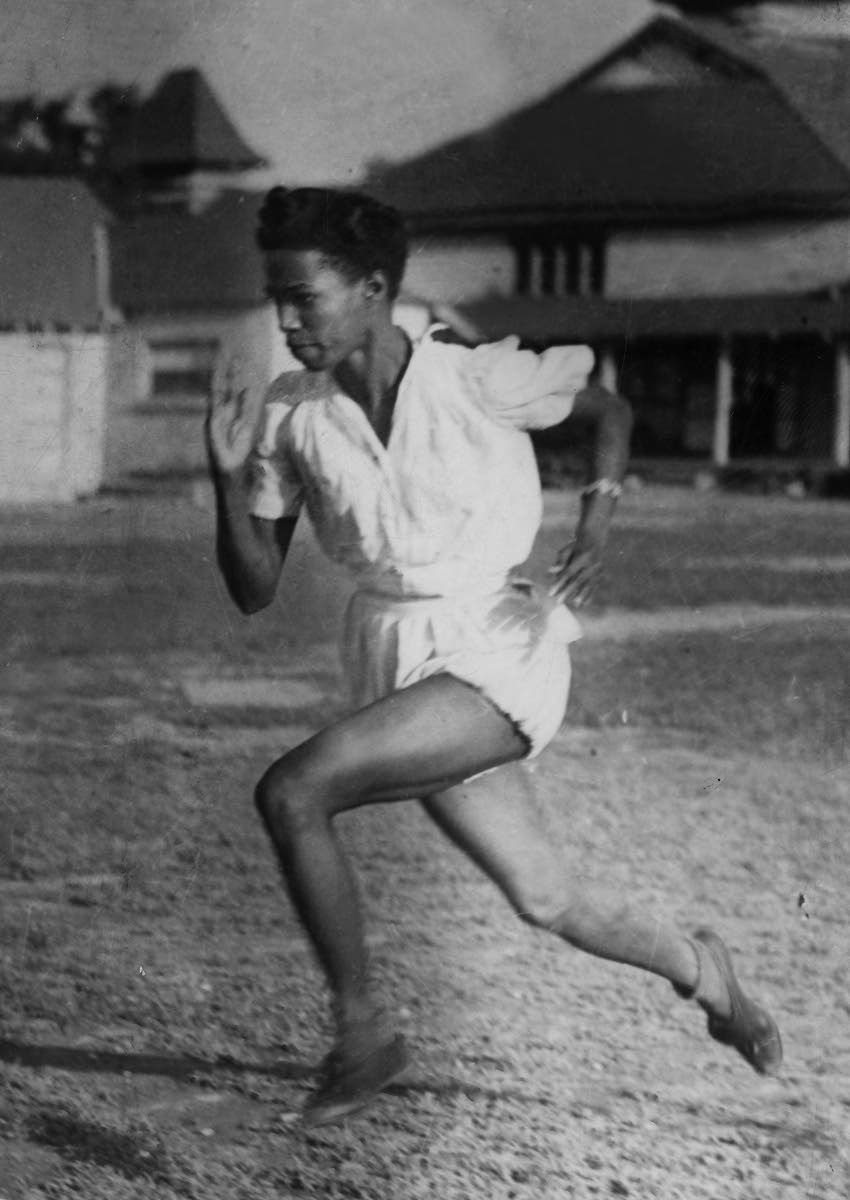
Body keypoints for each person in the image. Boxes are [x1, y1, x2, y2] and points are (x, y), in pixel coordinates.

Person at [205, 186, 782, 1127]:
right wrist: (224, 477)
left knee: (293, 791)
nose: (286, 320)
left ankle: (362, 1036)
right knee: (546, 898)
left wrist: (596, 518)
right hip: (394, 658)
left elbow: (609, 410)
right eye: (277, 299)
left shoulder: (475, 376)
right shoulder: (290, 414)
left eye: (303, 297)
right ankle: (706, 973)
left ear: (373, 288)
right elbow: (253, 586)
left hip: (496, 649)